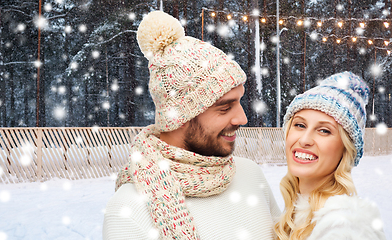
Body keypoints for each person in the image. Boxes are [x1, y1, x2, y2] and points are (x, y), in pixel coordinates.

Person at [103, 11, 280, 240]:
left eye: (240, 101)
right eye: (225, 107)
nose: (242, 118)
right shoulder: (130, 210)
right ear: (179, 117)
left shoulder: (250, 175)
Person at [274, 71, 386, 239]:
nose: (305, 140)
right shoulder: (294, 214)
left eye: (324, 130)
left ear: (346, 149)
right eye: (299, 125)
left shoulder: (346, 227)